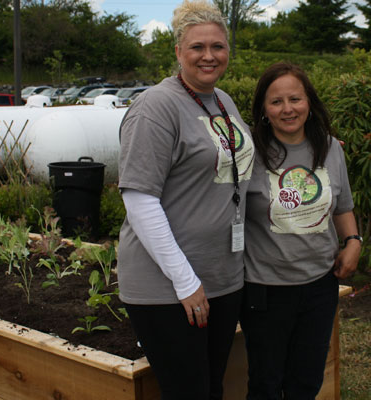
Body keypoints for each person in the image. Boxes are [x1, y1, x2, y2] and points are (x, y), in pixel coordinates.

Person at [117, 1, 255, 398]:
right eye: (197, 47)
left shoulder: (223, 101)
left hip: (222, 277)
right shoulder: (156, 107)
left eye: (218, 46)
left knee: (212, 387)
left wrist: (316, 149)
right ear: (178, 51)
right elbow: (140, 200)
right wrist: (185, 282)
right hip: (170, 288)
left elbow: (244, 164)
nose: (208, 56)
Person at [241, 62, 361, 399]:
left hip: (320, 286)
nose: (287, 109)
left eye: (295, 99)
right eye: (276, 101)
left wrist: (353, 240)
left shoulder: (330, 148)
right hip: (266, 290)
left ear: (309, 102)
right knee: (266, 383)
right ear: (264, 110)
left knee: (306, 382)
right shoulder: (249, 155)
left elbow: (343, 205)